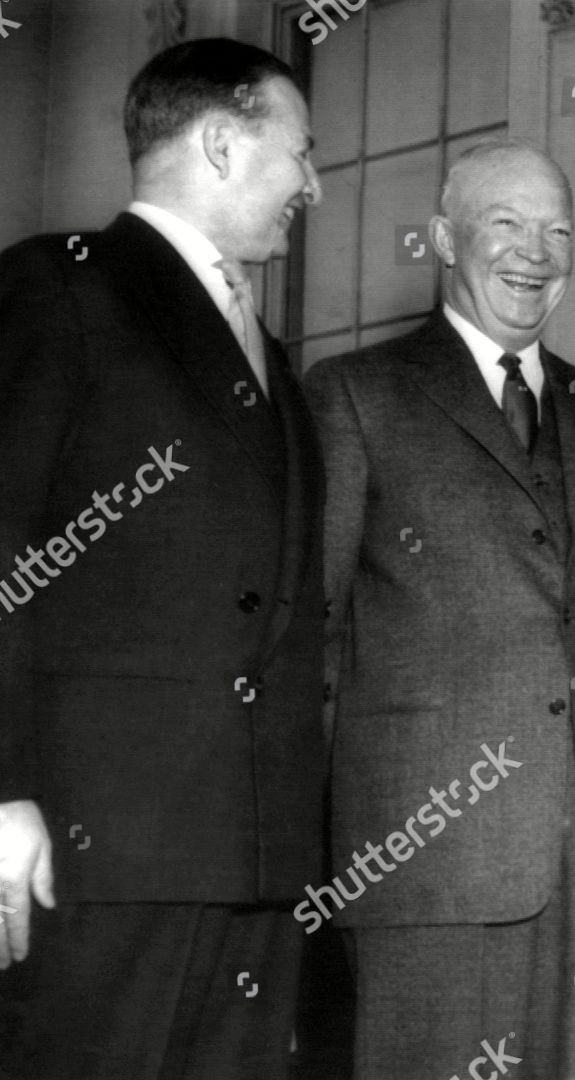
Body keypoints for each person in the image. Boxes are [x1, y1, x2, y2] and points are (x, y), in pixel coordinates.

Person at [0, 38, 326, 1078]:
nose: (313, 185)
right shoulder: (59, 289)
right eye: (301, 152)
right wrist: (2, 795)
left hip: (252, 853)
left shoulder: (268, 355)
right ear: (223, 145)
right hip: (99, 847)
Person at [304, 139, 575, 1080]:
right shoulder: (354, 394)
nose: (535, 251)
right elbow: (315, 639)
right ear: (443, 240)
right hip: (426, 859)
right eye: (506, 223)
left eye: (558, 230)